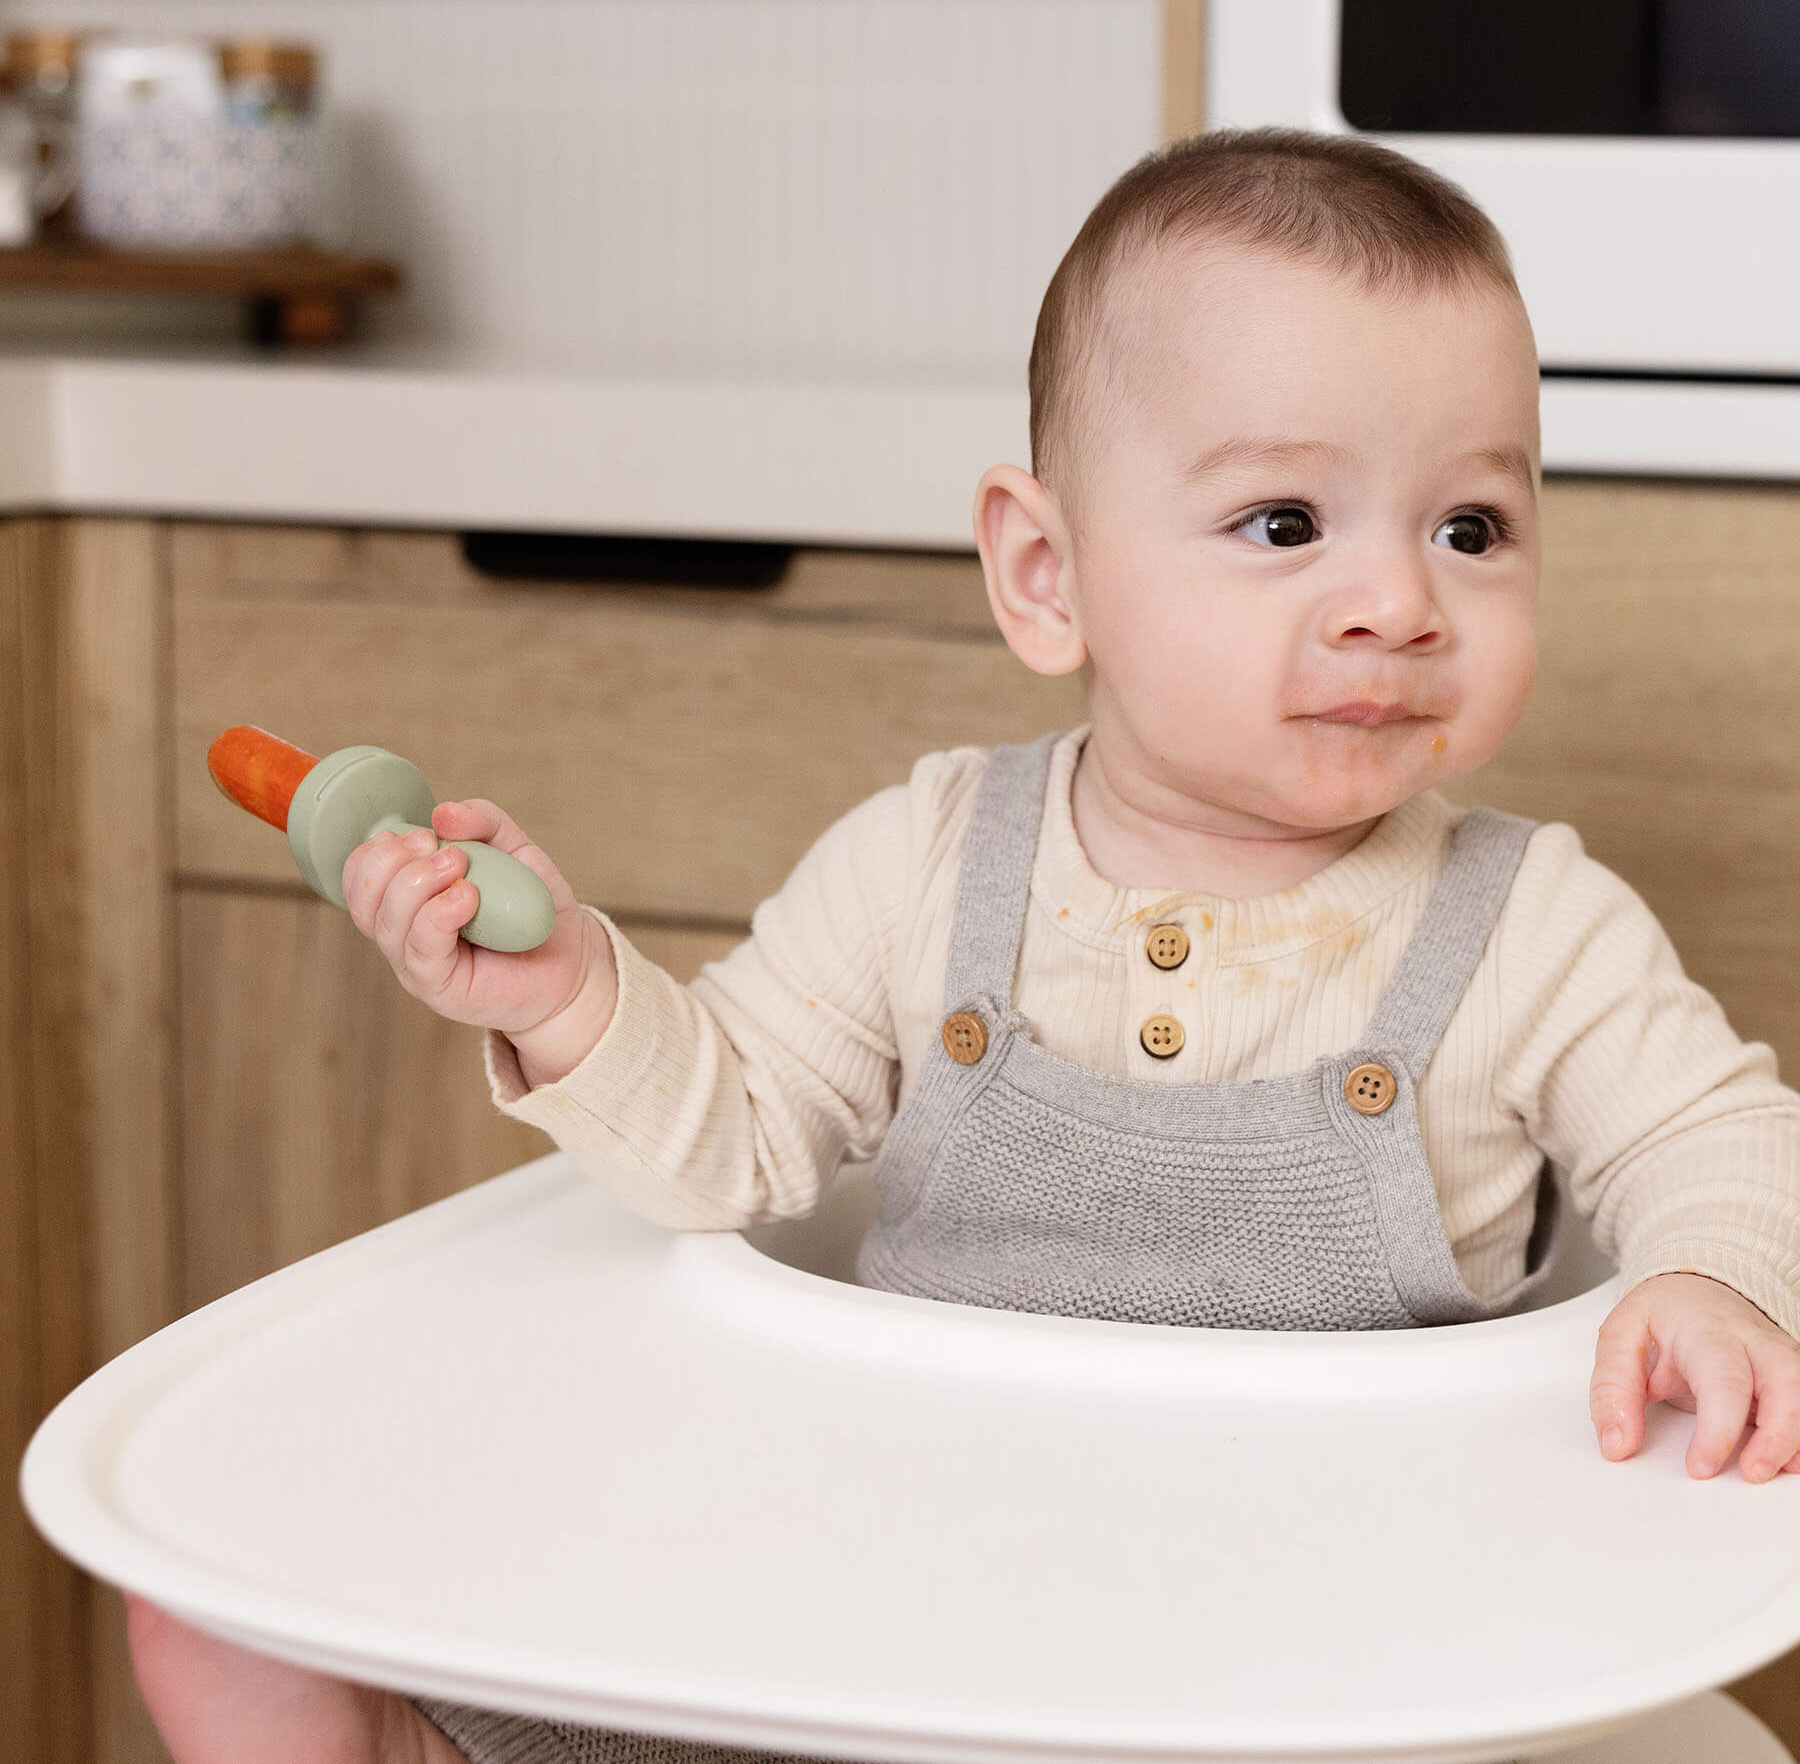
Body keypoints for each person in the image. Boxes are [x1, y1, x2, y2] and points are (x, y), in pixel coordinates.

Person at [125, 125, 1800, 1764]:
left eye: (1472, 528)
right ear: (1045, 571)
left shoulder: (1533, 924)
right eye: (1287, 524)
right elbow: (736, 1135)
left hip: (1322, 1664)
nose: (1401, 602)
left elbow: (1723, 1134)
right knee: (220, 1611)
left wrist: (1710, 1277)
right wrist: (562, 988)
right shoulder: (927, 863)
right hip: (897, 1614)